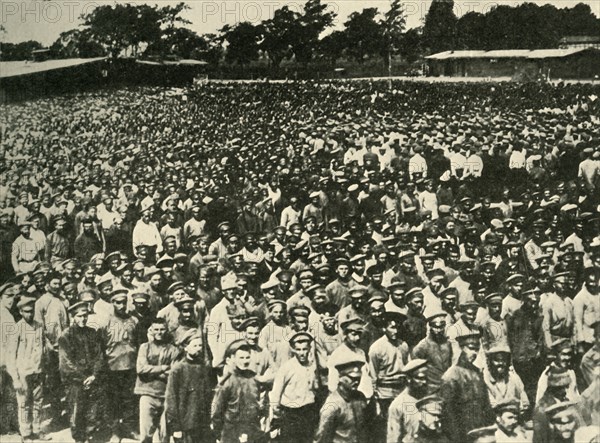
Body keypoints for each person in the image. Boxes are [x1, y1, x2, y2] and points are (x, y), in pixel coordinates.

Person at [58, 302, 105, 443]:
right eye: (79, 316)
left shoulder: (92, 333)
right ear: (73, 317)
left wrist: (94, 375)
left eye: (85, 316)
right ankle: (79, 438)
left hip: (92, 378)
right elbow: (65, 363)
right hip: (75, 381)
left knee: (93, 410)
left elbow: (99, 356)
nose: (83, 319)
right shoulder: (66, 336)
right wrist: (83, 378)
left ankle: (90, 435)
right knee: (76, 411)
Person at [439, 331, 494, 442]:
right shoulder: (451, 376)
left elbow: (485, 404)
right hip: (462, 433)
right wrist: (458, 438)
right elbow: (449, 414)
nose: (474, 353)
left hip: (480, 430)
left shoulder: (477, 373)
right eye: (470, 348)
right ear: (461, 348)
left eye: (477, 349)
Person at [135, 317, 182, 443]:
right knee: (146, 435)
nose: (159, 332)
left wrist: (153, 372)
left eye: (162, 329)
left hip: (166, 395)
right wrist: (163, 368)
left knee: (164, 435)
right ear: (151, 330)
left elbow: (174, 373)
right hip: (147, 393)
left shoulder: (173, 350)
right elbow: (141, 369)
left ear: (167, 331)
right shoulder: (144, 347)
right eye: (156, 329)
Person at [101, 288, 139, 442]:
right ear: (112, 303)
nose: (121, 306)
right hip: (113, 367)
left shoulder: (133, 320)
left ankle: (129, 429)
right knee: (113, 401)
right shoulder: (106, 322)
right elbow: (102, 346)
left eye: (124, 302)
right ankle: (115, 432)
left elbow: (137, 341)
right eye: (118, 302)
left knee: (129, 400)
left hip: (130, 366)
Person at [211, 339, 265, 443]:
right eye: (241, 357)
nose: (245, 361)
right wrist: (219, 433)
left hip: (251, 430)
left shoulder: (253, 378)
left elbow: (258, 403)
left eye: (247, 357)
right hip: (231, 432)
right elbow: (218, 410)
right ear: (232, 358)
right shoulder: (228, 382)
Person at [165, 331, 213, 443]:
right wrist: (175, 427)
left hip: (202, 424)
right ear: (186, 348)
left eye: (200, 345)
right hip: (186, 425)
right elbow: (171, 400)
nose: (198, 348)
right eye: (195, 345)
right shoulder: (178, 369)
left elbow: (208, 395)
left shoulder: (204, 367)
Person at [271, 331, 319, 443]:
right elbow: (276, 393)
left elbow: (313, 387)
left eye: (304, 349)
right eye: (298, 349)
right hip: (291, 414)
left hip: (308, 411)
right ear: (293, 350)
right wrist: (277, 414)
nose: (302, 353)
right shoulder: (287, 368)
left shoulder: (311, 366)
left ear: (309, 349)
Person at [12, 296, 48, 441]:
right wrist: (15, 378)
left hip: (38, 370)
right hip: (23, 373)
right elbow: (10, 354)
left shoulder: (39, 325)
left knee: (38, 402)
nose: (30, 314)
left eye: (32, 311)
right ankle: (26, 433)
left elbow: (43, 348)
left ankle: (37, 429)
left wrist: (45, 369)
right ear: (20, 311)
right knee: (24, 404)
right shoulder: (17, 328)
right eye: (26, 311)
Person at [368, 311, 410, 436]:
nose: (395, 331)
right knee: (388, 428)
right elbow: (373, 375)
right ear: (383, 328)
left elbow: (408, 368)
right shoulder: (376, 348)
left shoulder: (403, 345)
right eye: (391, 327)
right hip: (384, 394)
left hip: (401, 390)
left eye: (397, 327)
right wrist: (375, 401)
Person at [315, 355, 368, 443]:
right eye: (352, 378)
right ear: (341, 378)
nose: (356, 382)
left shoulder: (360, 397)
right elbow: (321, 438)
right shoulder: (331, 406)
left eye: (358, 378)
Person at [386, 359, 429, 443]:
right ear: (408, 379)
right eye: (420, 378)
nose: (424, 382)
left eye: (426, 378)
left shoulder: (429, 398)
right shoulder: (397, 405)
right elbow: (393, 438)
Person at [412, 311, 453, 392]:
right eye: (435, 327)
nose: (438, 330)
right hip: (430, 387)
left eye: (441, 327)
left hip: (446, 386)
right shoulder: (422, 346)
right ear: (430, 326)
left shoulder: (448, 344)